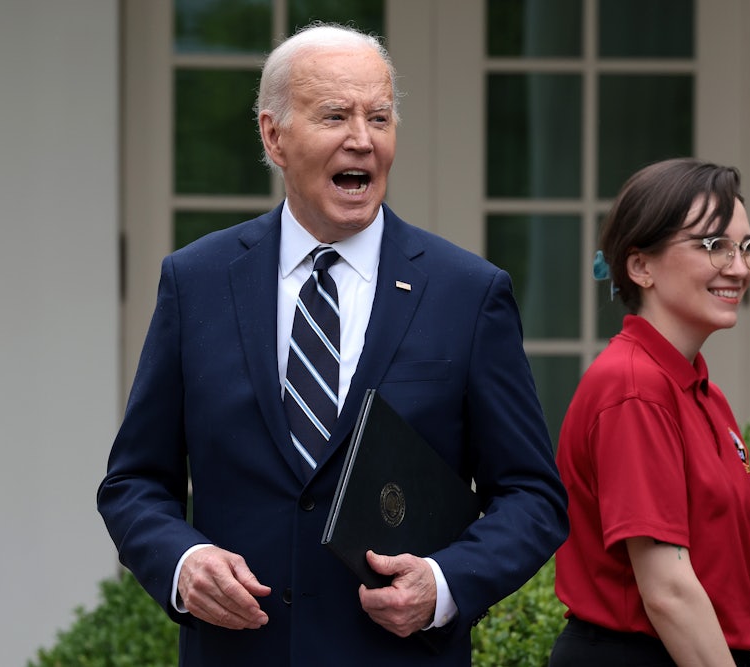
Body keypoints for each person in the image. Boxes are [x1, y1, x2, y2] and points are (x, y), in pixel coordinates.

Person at [98, 23, 567, 667]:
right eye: (335, 115)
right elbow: (133, 483)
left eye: (380, 117)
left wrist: (446, 584)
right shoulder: (196, 281)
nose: (362, 139)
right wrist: (182, 563)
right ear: (274, 135)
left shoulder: (468, 292)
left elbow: (534, 496)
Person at [548, 158, 750, 666]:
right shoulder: (633, 388)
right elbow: (668, 592)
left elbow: (735, 589)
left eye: (746, 248)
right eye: (713, 245)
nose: (739, 267)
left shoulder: (702, 393)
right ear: (641, 266)